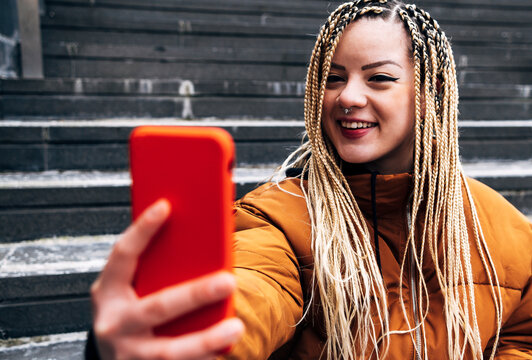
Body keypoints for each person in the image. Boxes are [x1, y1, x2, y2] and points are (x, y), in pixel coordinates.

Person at [87, 0, 532, 359]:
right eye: (333, 78)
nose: (348, 97)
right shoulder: (276, 215)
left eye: (379, 78)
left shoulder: (501, 227)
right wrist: (193, 337)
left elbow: (522, 340)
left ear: (430, 92)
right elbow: (254, 284)